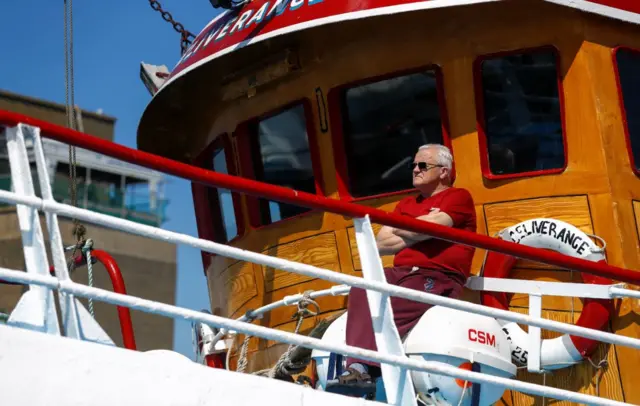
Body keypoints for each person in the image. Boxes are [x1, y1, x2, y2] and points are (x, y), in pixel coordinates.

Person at [326, 144, 477, 393]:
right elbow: (382, 244)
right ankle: (361, 369)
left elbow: (428, 228)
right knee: (361, 288)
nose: (415, 170)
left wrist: (410, 228)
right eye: (414, 165)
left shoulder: (458, 197)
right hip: (401, 272)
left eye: (422, 165)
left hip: (438, 276)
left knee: (390, 304)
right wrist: (419, 227)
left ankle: (362, 370)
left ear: (443, 171)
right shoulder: (406, 203)